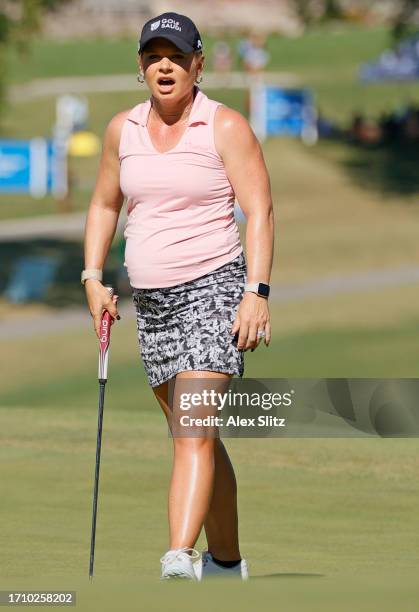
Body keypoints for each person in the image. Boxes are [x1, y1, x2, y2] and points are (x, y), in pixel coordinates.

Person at [82, 12, 274, 581]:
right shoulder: (123, 130)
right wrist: (92, 277)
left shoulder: (225, 126)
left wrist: (256, 293)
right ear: (141, 67)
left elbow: (259, 211)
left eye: (176, 55)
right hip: (154, 304)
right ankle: (229, 563)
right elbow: (103, 205)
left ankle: (178, 555)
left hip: (214, 288)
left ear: (198, 63)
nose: (164, 65)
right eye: (153, 56)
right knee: (197, 434)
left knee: (193, 428)